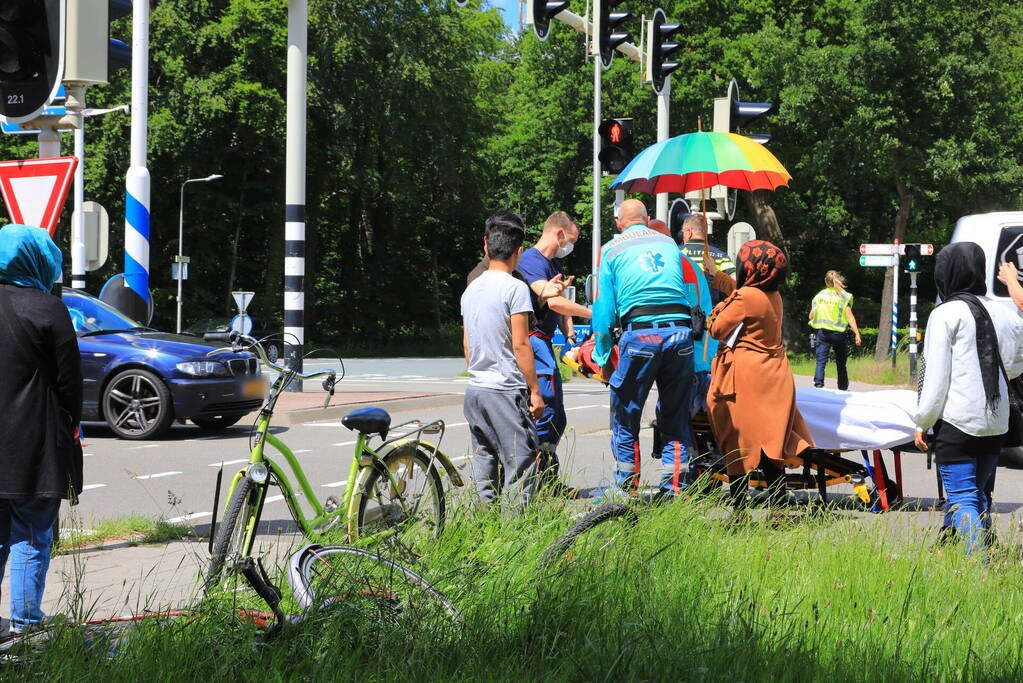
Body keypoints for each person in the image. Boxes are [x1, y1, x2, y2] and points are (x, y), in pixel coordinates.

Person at [0, 224, 83, 635]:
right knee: (32, 533)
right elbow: (70, 384)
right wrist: (74, 422)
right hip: (34, 443)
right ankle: (25, 624)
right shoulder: (47, 308)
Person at [914, 243, 1023, 555]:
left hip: (958, 421)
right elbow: (1015, 363)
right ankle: (959, 548)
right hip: (996, 422)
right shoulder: (1003, 312)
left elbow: (935, 379)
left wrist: (922, 421)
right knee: (979, 495)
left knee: (962, 497)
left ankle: (979, 567)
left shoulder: (945, 314)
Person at [592, 199, 695, 497]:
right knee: (675, 417)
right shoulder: (669, 244)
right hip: (680, 335)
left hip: (641, 337)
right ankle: (675, 489)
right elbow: (688, 291)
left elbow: (604, 310)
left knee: (626, 415)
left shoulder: (611, 249)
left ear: (618, 223)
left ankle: (626, 489)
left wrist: (603, 357)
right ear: (648, 219)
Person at [705, 240, 815, 507]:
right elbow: (742, 293)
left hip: (746, 377)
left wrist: (715, 310)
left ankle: (740, 512)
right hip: (775, 376)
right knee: (770, 443)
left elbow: (718, 328)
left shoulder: (746, 297)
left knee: (738, 441)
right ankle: (778, 508)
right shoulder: (771, 295)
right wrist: (718, 276)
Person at [461, 211, 548, 509]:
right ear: (519, 251)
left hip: (475, 390)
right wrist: (535, 391)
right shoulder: (515, 288)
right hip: (504, 390)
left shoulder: (471, 288)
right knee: (521, 464)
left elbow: (467, 342)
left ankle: (483, 531)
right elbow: (521, 344)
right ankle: (516, 537)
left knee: (485, 464)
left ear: (486, 246)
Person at [516, 212, 591, 479]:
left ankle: (548, 479)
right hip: (534, 342)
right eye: (570, 241)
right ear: (559, 234)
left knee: (557, 417)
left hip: (546, 344)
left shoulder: (553, 266)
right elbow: (552, 300)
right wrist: (597, 314)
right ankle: (530, 479)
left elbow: (560, 309)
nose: (569, 247)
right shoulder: (531, 262)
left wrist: (570, 335)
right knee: (544, 411)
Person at [808, 270, 862, 390]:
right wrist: (857, 334)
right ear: (838, 280)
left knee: (821, 361)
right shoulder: (844, 296)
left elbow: (811, 316)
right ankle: (842, 387)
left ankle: (819, 384)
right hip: (838, 334)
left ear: (826, 282)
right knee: (841, 363)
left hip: (823, 333)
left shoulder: (820, 296)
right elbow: (849, 316)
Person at [679, 214, 736, 302]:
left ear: (689, 232)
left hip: (682, 311)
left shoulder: (676, 253)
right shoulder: (720, 256)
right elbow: (735, 284)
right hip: (712, 313)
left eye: (683, 232)